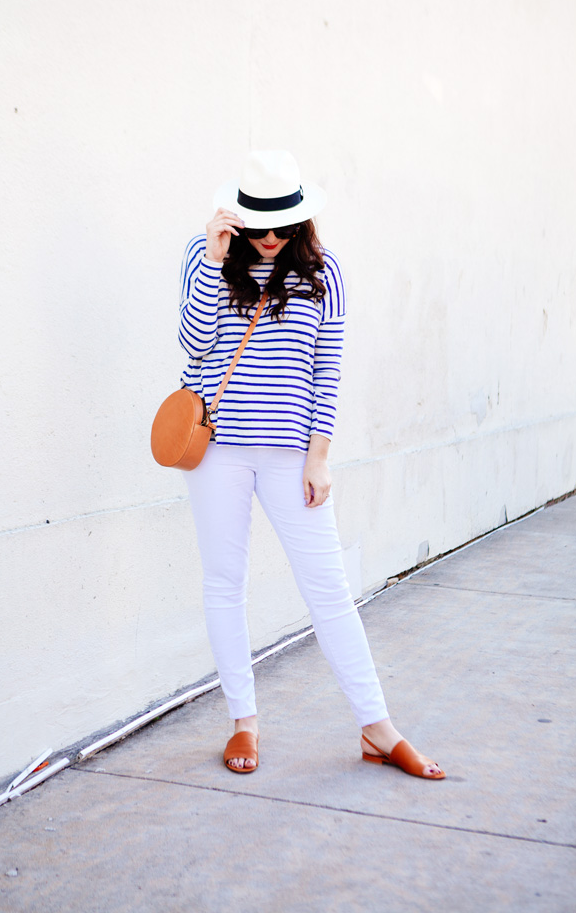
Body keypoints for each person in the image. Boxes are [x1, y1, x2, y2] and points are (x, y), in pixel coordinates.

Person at [178, 150, 445, 779]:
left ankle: (377, 727)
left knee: (328, 589)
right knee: (225, 582)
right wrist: (215, 262)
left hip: (289, 453)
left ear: (300, 222)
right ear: (236, 220)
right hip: (215, 451)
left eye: (280, 228)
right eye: (256, 228)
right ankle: (243, 721)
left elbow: (327, 373)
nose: (268, 240)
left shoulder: (324, 273)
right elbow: (193, 345)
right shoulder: (205, 256)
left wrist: (318, 459)